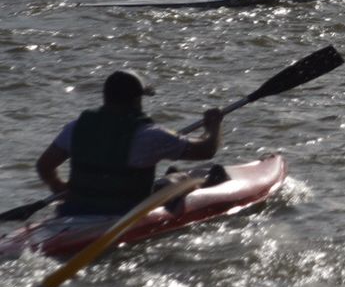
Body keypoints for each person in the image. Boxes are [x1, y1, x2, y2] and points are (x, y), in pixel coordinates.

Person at [35, 71, 223, 216]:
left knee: (167, 180)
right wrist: (212, 127)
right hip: (124, 213)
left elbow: (44, 166)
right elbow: (206, 150)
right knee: (181, 179)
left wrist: (58, 186)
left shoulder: (75, 128)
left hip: (76, 210)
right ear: (136, 100)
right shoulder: (151, 136)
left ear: (106, 97)